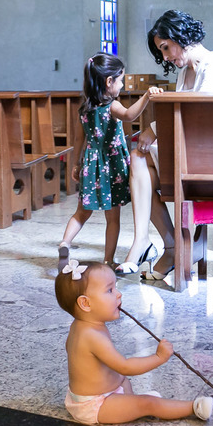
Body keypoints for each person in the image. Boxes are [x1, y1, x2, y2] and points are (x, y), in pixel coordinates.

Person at [124, 10, 213, 282]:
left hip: (211, 156)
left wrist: (152, 130)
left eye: (166, 47)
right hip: (188, 150)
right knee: (138, 162)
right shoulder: (187, 71)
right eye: (161, 51)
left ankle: (165, 245)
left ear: (180, 35)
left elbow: (201, 121)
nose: (165, 57)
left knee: (138, 161)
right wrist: (152, 132)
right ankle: (162, 244)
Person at [55, 259, 213, 424]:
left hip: (105, 393)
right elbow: (125, 366)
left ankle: (131, 405)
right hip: (95, 405)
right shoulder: (90, 335)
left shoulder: (82, 326)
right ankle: (194, 408)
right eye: (109, 290)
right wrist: (159, 357)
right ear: (85, 303)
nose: (118, 294)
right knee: (148, 403)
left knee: (123, 380)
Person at [57, 53, 158, 273]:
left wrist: (76, 165)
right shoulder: (111, 106)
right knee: (113, 219)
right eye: (120, 80)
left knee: (81, 213)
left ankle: (65, 243)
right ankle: (108, 261)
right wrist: (147, 96)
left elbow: (77, 140)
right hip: (112, 168)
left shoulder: (85, 108)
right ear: (109, 82)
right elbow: (130, 115)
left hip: (91, 166)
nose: (122, 85)